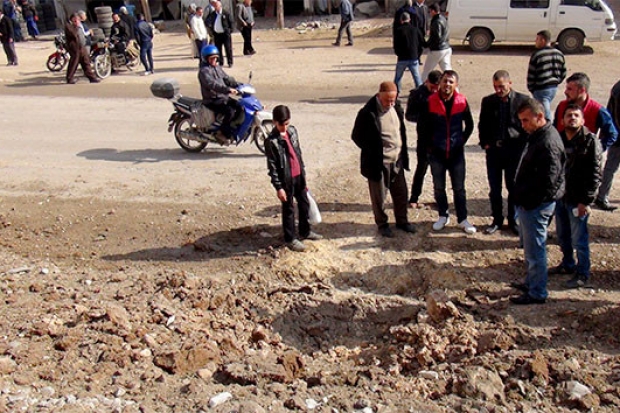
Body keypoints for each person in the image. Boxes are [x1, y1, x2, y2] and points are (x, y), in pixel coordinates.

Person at [510, 98, 565, 305]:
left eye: (525, 120)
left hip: (536, 206)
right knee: (530, 249)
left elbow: (548, 182)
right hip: (529, 203)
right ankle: (532, 282)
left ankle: (537, 292)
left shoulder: (548, 142)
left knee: (536, 250)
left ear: (539, 116)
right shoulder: (538, 135)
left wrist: (528, 202)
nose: (522, 125)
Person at [351, 81, 416, 238]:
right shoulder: (367, 113)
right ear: (379, 95)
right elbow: (356, 136)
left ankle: (402, 221)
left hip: (397, 161)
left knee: (401, 193)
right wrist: (373, 152)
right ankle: (382, 224)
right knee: (379, 197)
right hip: (379, 164)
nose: (390, 103)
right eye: (387, 100)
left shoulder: (396, 107)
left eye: (393, 100)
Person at [418, 70, 476, 234]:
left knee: (459, 188)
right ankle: (443, 215)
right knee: (439, 187)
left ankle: (462, 218)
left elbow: (470, 125)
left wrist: (460, 141)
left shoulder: (461, 101)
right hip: (437, 152)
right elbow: (422, 127)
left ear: (456, 85)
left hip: (456, 153)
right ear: (440, 83)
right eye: (445, 81)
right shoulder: (430, 101)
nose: (447, 85)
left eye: (451, 82)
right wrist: (429, 146)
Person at [552, 104, 602, 288]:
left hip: (578, 199)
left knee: (579, 239)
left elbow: (596, 174)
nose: (572, 118)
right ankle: (567, 264)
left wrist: (586, 201)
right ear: (562, 120)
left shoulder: (590, 141)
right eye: (568, 115)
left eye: (576, 115)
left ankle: (583, 273)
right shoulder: (559, 139)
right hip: (561, 197)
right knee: (563, 235)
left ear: (582, 120)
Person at [478, 70, 529, 235]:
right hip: (494, 151)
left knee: (513, 187)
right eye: (495, 87)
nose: (498, 90)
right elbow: (482, 123)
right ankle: (497, 220)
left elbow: (528, 126)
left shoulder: (523, 101)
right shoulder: (488, 101)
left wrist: (523, 147)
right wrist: (485, 143)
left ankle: (513, 220)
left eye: (501, 86)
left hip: (514, 151)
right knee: (495, 188)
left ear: (510, 83)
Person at [265, 105, 323, 252]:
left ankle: (305, 231)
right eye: (281, 125)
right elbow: (272, 167)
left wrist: (303, 174)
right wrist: (279, 187)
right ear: (274, 122)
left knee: (304, 204)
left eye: (286, 124)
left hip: (298, 176)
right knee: (289, 209)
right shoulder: (272, 141)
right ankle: (290, 238)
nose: (284, 128)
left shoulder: (292, 132)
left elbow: (298, 154)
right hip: (286, 181)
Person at [553, 72, 618, 152]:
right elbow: (554, 129)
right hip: (561, 154)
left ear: (582, 90)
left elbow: (612, 134)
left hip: (583, 158)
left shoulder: (597, 110)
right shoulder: (561, 106)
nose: (565, 92)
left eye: (570, 89)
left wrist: (597, 150)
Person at [405, 69, 441, 208]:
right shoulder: (417, 94)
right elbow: (409, 115)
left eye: (437, 88)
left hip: (439, 138)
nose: (434, 90)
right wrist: (425, 118)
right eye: (432, 87)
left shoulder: (442, 93)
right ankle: (414, 197)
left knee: (438, 170)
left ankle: (439, 198)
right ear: (427, 82)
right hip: (424, 138)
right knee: (422, 168)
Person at [198, 44, 239, 143]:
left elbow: (227, 79)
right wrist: (228, 90)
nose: (214, 61)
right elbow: (213, 85)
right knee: (230, 111)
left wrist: (238, 85)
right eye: (211, 59)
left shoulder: (217, 68)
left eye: (215, 58)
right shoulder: (204, 72)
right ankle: (221, 132)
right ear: (206, 59)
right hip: (212, 100)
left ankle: (231, 129)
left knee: (240, 107)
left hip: (222, 97)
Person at [527, 29, 566, 121]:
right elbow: (563, 71)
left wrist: (531, 87)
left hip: (540, 87)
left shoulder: (537, 55)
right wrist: (556, 81)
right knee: (545, 107)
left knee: (544, 111)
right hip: (553, 88)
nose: (535, 41)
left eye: (537, 39)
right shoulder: (559, 53)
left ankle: (549, 127)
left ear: (543, 40)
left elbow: (531, 73)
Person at [596, 80, 620, 211]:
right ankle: (602, 196)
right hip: (618, 136)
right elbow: (617, 117)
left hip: (616, 134)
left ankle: (602, 195)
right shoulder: (619, 90)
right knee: (611, 167)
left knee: (610, 167)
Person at [64, 12, 99, 84]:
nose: (77, 22)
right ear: (71, 20)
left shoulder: (80, 26)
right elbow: (73, 34)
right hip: (74, 47)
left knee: (86, 62)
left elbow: (83, 34)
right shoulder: (69, 26)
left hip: (82, 46)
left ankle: (92, 77)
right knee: (74, 63)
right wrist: (76, 26)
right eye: (75, 21)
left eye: (78, 20)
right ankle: (69, 78)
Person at [420, 4, 451, 82]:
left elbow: (436, 37)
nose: (429, 13)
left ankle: (421, 88)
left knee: (427, 71)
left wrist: (427, 44)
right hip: (446, 48)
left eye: (430, 11)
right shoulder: (443, 19)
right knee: (447, 71)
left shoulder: (436, 22)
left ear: (433, 11)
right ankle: (454, 90)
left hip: (437, 49)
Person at [393, 12, 423, 93]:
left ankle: (396, 92)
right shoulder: (415, 29)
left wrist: (398, 53)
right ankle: (420, 92)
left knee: (398, 77)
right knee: (417, 77)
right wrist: (418, 54)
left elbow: (395, 45)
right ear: (409, 20)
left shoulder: (398, 30)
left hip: (402, 58)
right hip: (413, 57)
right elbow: (422, 43)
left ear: (401, 20)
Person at [206, 1, 234, 68]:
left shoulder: (226, 13)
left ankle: (230, 62)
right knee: (218, 49)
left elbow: (231, 22)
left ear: (220, 6)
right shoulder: (213, 14)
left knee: (228, 48)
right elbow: (207, 20)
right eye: (215, 6)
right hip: (217, 34)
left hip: (225, 34)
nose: (215, 7)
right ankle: (220, 62)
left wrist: (230, 31)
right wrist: (210, 27)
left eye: (217, 6)